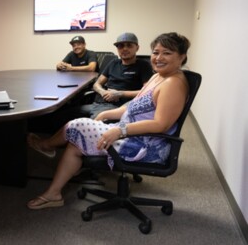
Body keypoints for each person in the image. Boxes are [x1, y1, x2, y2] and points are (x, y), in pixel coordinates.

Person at [26, 32, 190, 210]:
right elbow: (133, 105)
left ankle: (47, 146)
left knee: (76, 126)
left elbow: (161, 124)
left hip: (144, 145)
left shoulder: (173, 83)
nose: (158, 58)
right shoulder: (158, 76)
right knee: (76, 141)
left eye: (166, 53)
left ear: (181, 56)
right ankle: (54, 194)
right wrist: (107, 115)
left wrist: (120, 131)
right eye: (156, 52)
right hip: (131, 133)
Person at [78, 32, 153, 119]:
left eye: (129, 45)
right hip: (99, 103)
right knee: (62, 115)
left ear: (137, 48)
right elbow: (96, 84)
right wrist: (103, 92)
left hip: (116, 107)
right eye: (121, 46)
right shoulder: (113, 63)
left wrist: (120, 94)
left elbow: (147, 92)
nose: (124, 49)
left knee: (91, 125)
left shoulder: (144, 65)